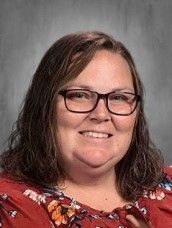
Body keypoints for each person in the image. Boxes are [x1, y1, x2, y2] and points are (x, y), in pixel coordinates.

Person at [0, 31, 171, 228]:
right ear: (44, 107)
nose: (100, 114)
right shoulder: (9, 209)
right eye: (80, 95)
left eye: (118, 98)